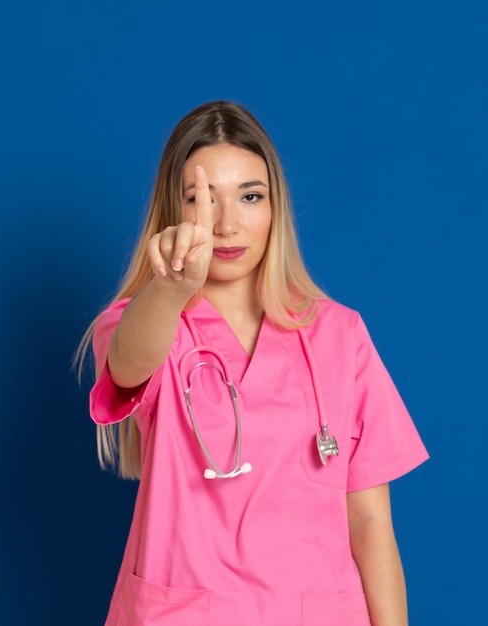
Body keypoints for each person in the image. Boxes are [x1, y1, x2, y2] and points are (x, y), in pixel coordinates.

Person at [80, 100, 428, 626]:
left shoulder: (340, 335)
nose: (225, 223)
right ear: (172, 212)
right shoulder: (144, 320)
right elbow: (128, 365)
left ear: (274, 208)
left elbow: (370, 522)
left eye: (249, 196)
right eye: (199, 198)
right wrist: (172, 290)